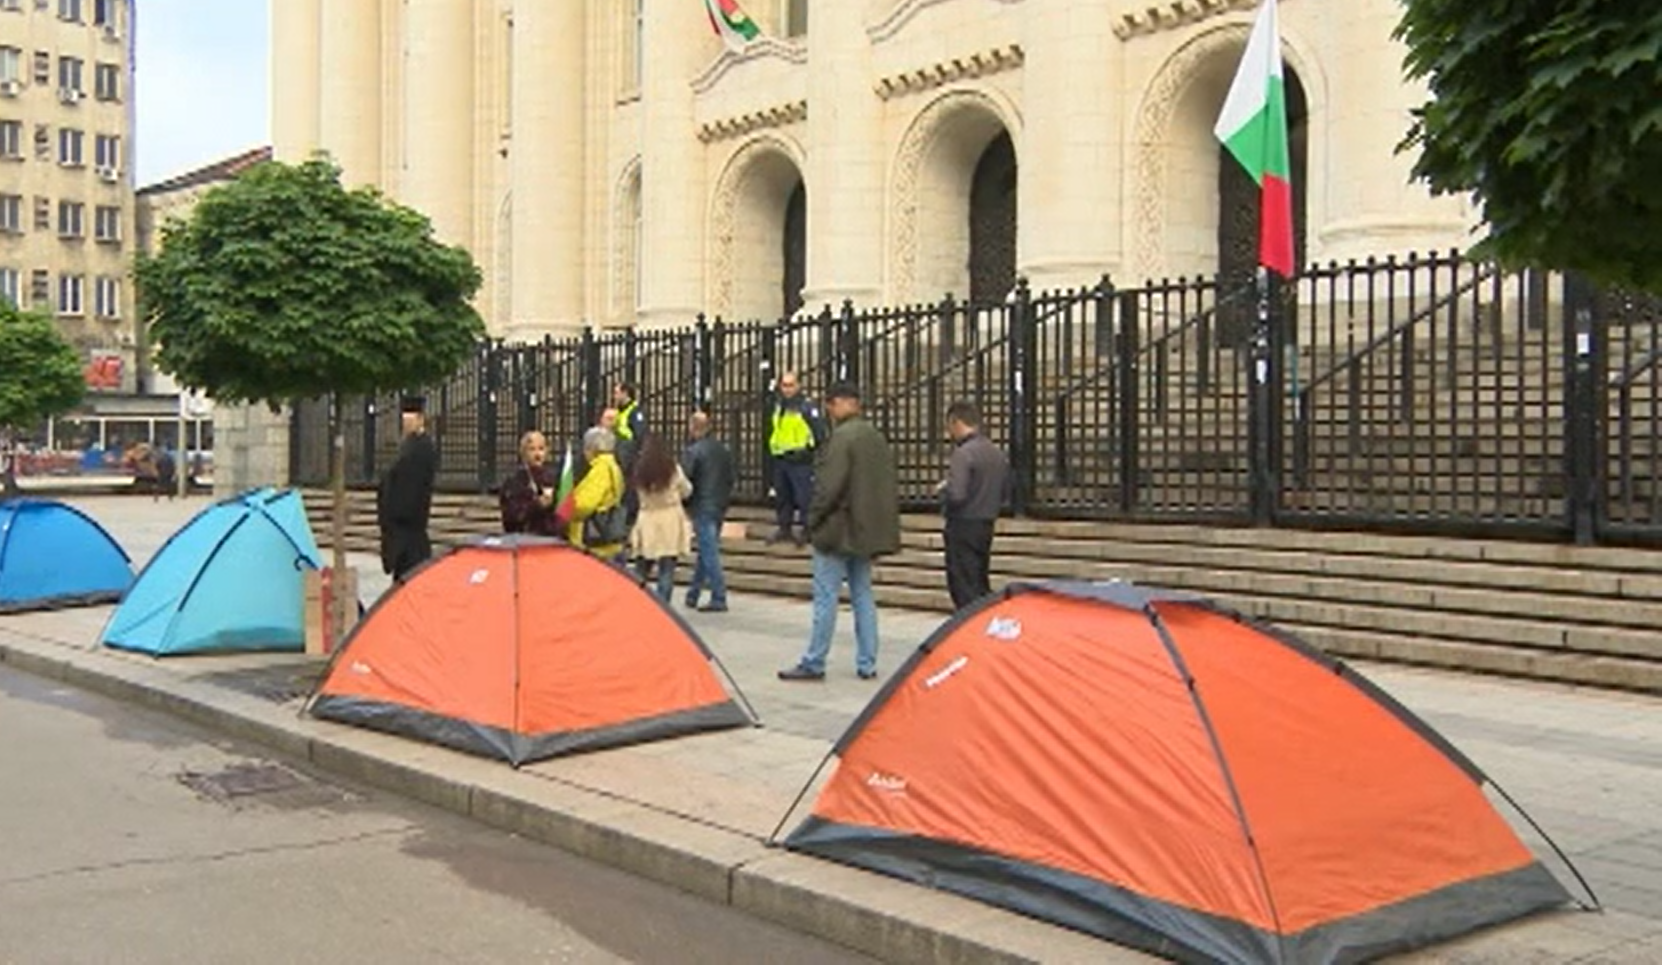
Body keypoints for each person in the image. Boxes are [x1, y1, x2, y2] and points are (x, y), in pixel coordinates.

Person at [779, 383, 900, 682]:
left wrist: (813, 519)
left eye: (831, 405)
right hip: (864, 531)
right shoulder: (875, 437)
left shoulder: (842, 439)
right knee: (863, 595)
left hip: (837, 529)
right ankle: (867, 662)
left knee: (826, 597)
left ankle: (815, 660)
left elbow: (829, 487)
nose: (829, 411)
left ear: (846, 403)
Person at [936, 401, 1009, 609]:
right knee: (979, 581)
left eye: (949, 426)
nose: (949, 432)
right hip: (986, 522)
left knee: (963, 586)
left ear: (956, 422)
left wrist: (944, 490)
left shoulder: (964, 453)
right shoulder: (996, 452)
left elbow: (957, 494)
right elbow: (1005, 491)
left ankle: (967, 628)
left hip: (963, 525)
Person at [377, 395, 439, 583]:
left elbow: (409, 489)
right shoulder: (409, 446)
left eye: (410, 418)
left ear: (420, 419)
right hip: (402, 529)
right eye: (404, 419)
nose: (406, 423)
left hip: (408, 528)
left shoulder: (421, 448)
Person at [765, 370, 827, 547]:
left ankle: (807, 530)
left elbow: (819, 432)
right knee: (783, 496)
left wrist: (808, 451)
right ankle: (785, 528)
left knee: (803, 497)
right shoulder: (779, 405)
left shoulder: (807, 406)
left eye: (791, 385)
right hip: (781, 458)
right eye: (784, 385)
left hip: (801, 460)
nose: (787, 389)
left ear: (798, 386)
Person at [629, 432, 693, 601]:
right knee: (667, 568)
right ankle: (664, 606)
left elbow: (635, 495)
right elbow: (687, 490)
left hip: (647, 518)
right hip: (670, 519)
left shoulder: (640, 470)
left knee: (642, 566)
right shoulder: (672, 469)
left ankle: (635, 600)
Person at [682, 411, 735, 612]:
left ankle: (719, 595)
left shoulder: (693, 451)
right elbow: (731, 476)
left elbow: (686, 480)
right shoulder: (723, 449)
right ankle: (693, 593)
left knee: (709, 552)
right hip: (719, 504)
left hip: (702, 504)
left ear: (693, 428)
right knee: (706, 551)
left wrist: (686, 503)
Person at [566, 426, 628, 563]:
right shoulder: (613, 466)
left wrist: (567, 506)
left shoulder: (601, 469)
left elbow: (584, 505)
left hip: (596, 546)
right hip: (610, 543)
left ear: (592, 448)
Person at [498, 430, 561, 536]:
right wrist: (537, 505)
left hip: (551, 539)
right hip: (524, 538)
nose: (537, 454)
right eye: (532, 449)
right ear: (523, 453)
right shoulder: (514, 480)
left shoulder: (553, 478)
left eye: (541, 449)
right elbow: (511, 516)